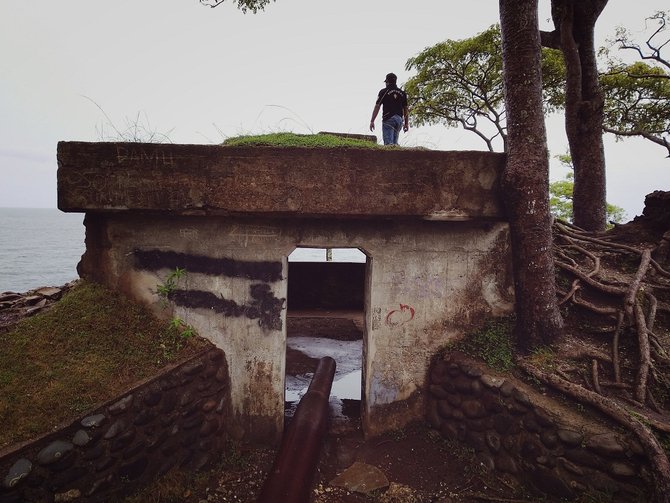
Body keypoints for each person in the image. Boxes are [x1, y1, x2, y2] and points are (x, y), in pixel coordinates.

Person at [369, 73, 409, 145]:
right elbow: (405, 109)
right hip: (399, 120)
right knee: (395, 143)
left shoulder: (384, 92)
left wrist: (372, 121)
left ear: (387, 81)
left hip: (389, 118)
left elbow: (377, 106)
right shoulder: (402, 93)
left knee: (388, 145)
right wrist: (406, 123)